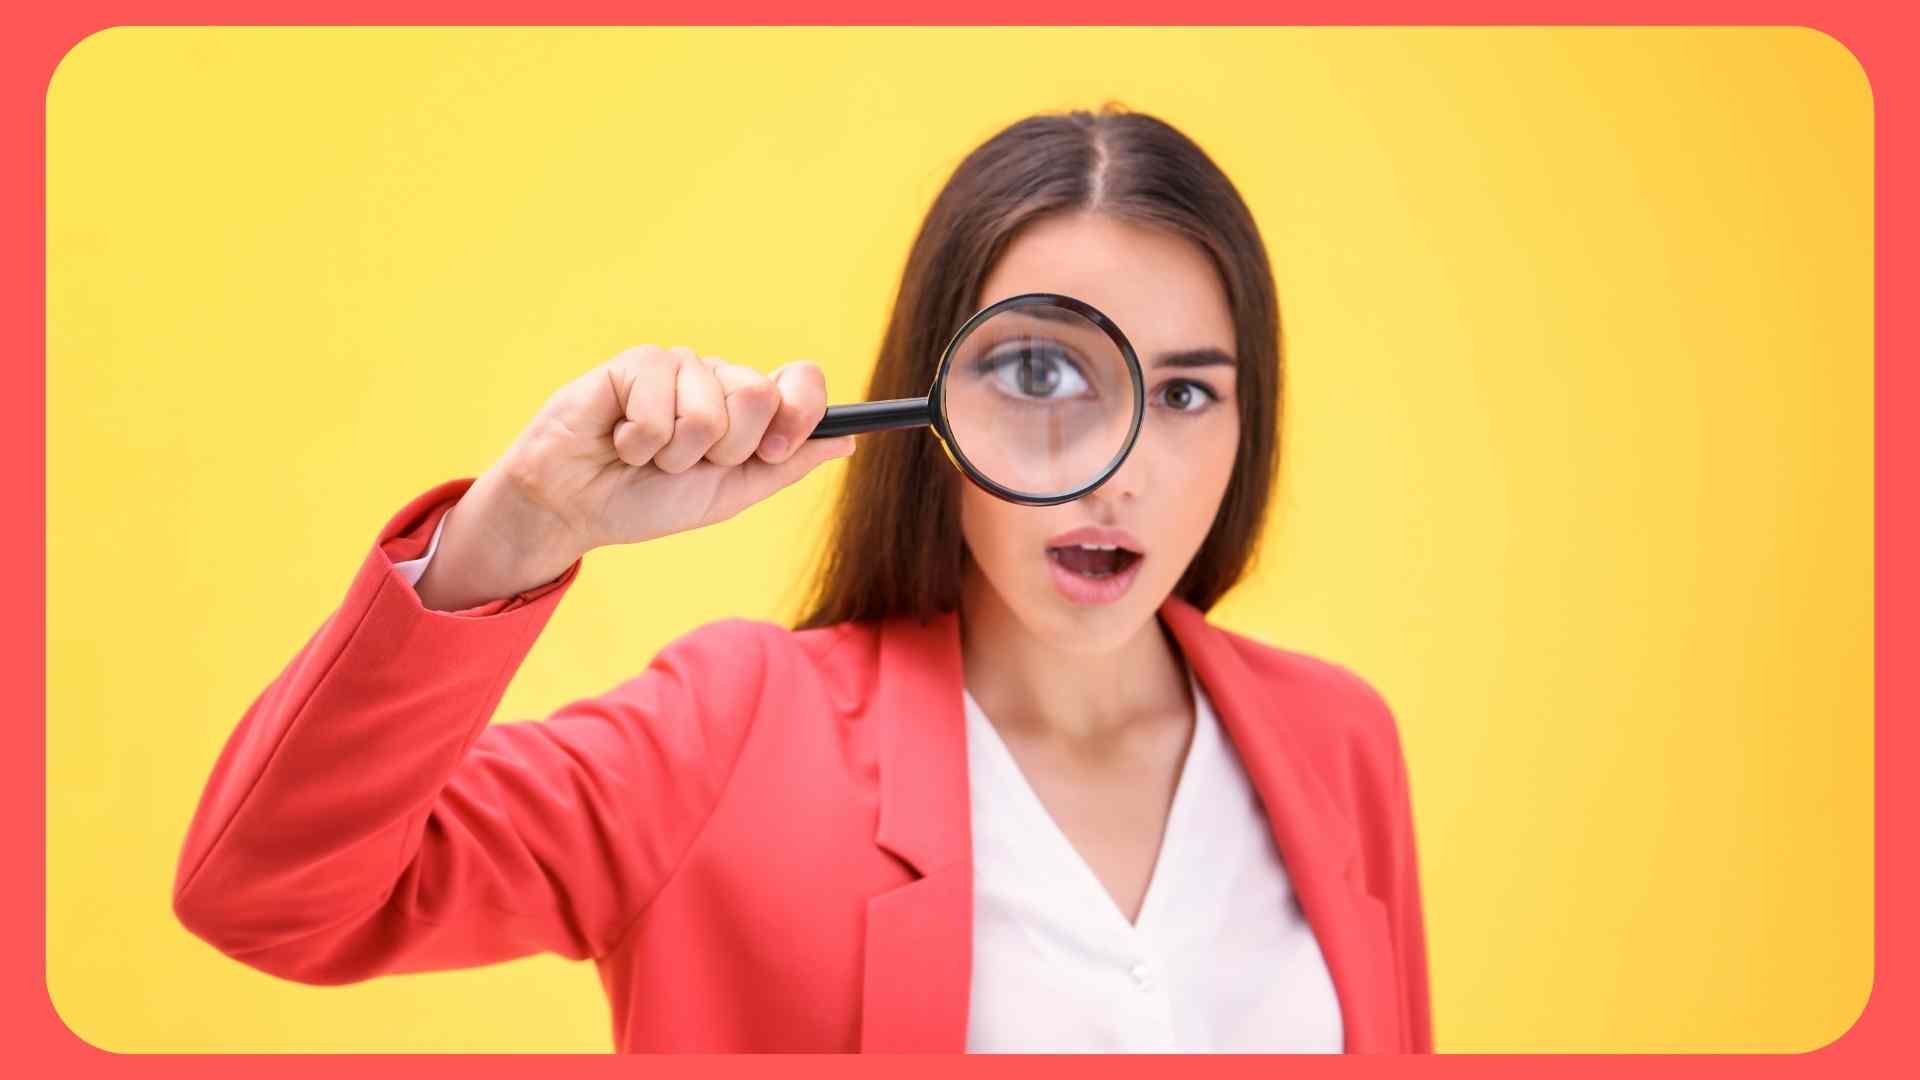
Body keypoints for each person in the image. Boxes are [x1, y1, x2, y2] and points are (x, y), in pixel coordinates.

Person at [172, 104, 1432, 1054]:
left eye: (1190, 391)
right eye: (1044, 375)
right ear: (936, 396)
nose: (1127, 473)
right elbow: (268, 898)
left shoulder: (1337, 741)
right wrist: (513, 532)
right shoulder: (730, 731)